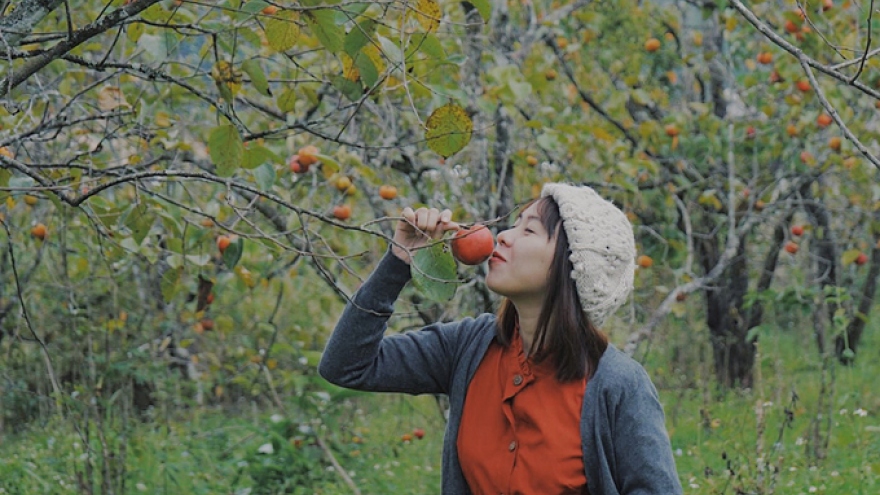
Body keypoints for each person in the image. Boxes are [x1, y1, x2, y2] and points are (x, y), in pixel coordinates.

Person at [319, 183, 683, 495]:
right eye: (513, 225)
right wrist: (398, 262)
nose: (503, 235)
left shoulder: (618, 386)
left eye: (529, 231)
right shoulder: (468, 347)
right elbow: (346, 365)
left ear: (571, 264)